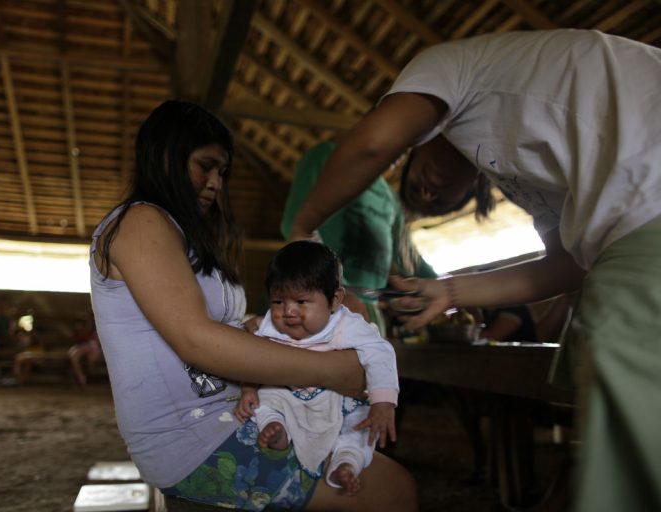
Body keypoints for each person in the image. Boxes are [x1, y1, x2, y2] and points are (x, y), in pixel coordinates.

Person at [287, 29, 661, 512]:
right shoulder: (546, 167)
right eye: (426, 198)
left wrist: (303, 228)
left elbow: (374, 142)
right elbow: (570, 266)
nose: (429, 193)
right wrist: (451, 293)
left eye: (441, 197)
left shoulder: (455, 65)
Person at [89, 100, 416, 511]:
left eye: (222, 172)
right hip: (191, 436)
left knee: (350, 329)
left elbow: (212, 325)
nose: (215, 183)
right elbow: (195, 339)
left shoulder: (182, 237)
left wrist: (254, 325)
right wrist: (332, 370)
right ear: (165, 157)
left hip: (233, 408)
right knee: (393, 490)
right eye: (205, 166)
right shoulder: (140, 222)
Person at [234, 241, 398, 496]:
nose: (288, 311)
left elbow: (380, 352)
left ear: (335, 300)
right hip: (288, 394)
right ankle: (277, 429)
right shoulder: (267, 325)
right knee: (261, 401)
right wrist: (248, 388)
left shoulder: (346, 325)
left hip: (336, 398)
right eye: (278, 301)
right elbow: (254, 357)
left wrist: (383, 402)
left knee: (361, 423)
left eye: (302, 301)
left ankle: (346, 462)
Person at [281, 140, 437, 334]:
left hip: (368, 312)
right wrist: (336, 290)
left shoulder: (389, 197)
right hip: (324, 303)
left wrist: (444, 287)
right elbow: (294, 225)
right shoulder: (327, 156)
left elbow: (407, 257)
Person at [67, 316, 103, 387]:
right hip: (80, 347)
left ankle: (86, 375)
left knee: (91, 358)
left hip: (92, 348)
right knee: (74, 357)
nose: (78, 326)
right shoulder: (76, 332)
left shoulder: (92, 330)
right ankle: (81, 377)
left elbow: (96, 342)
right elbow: (73, 340)